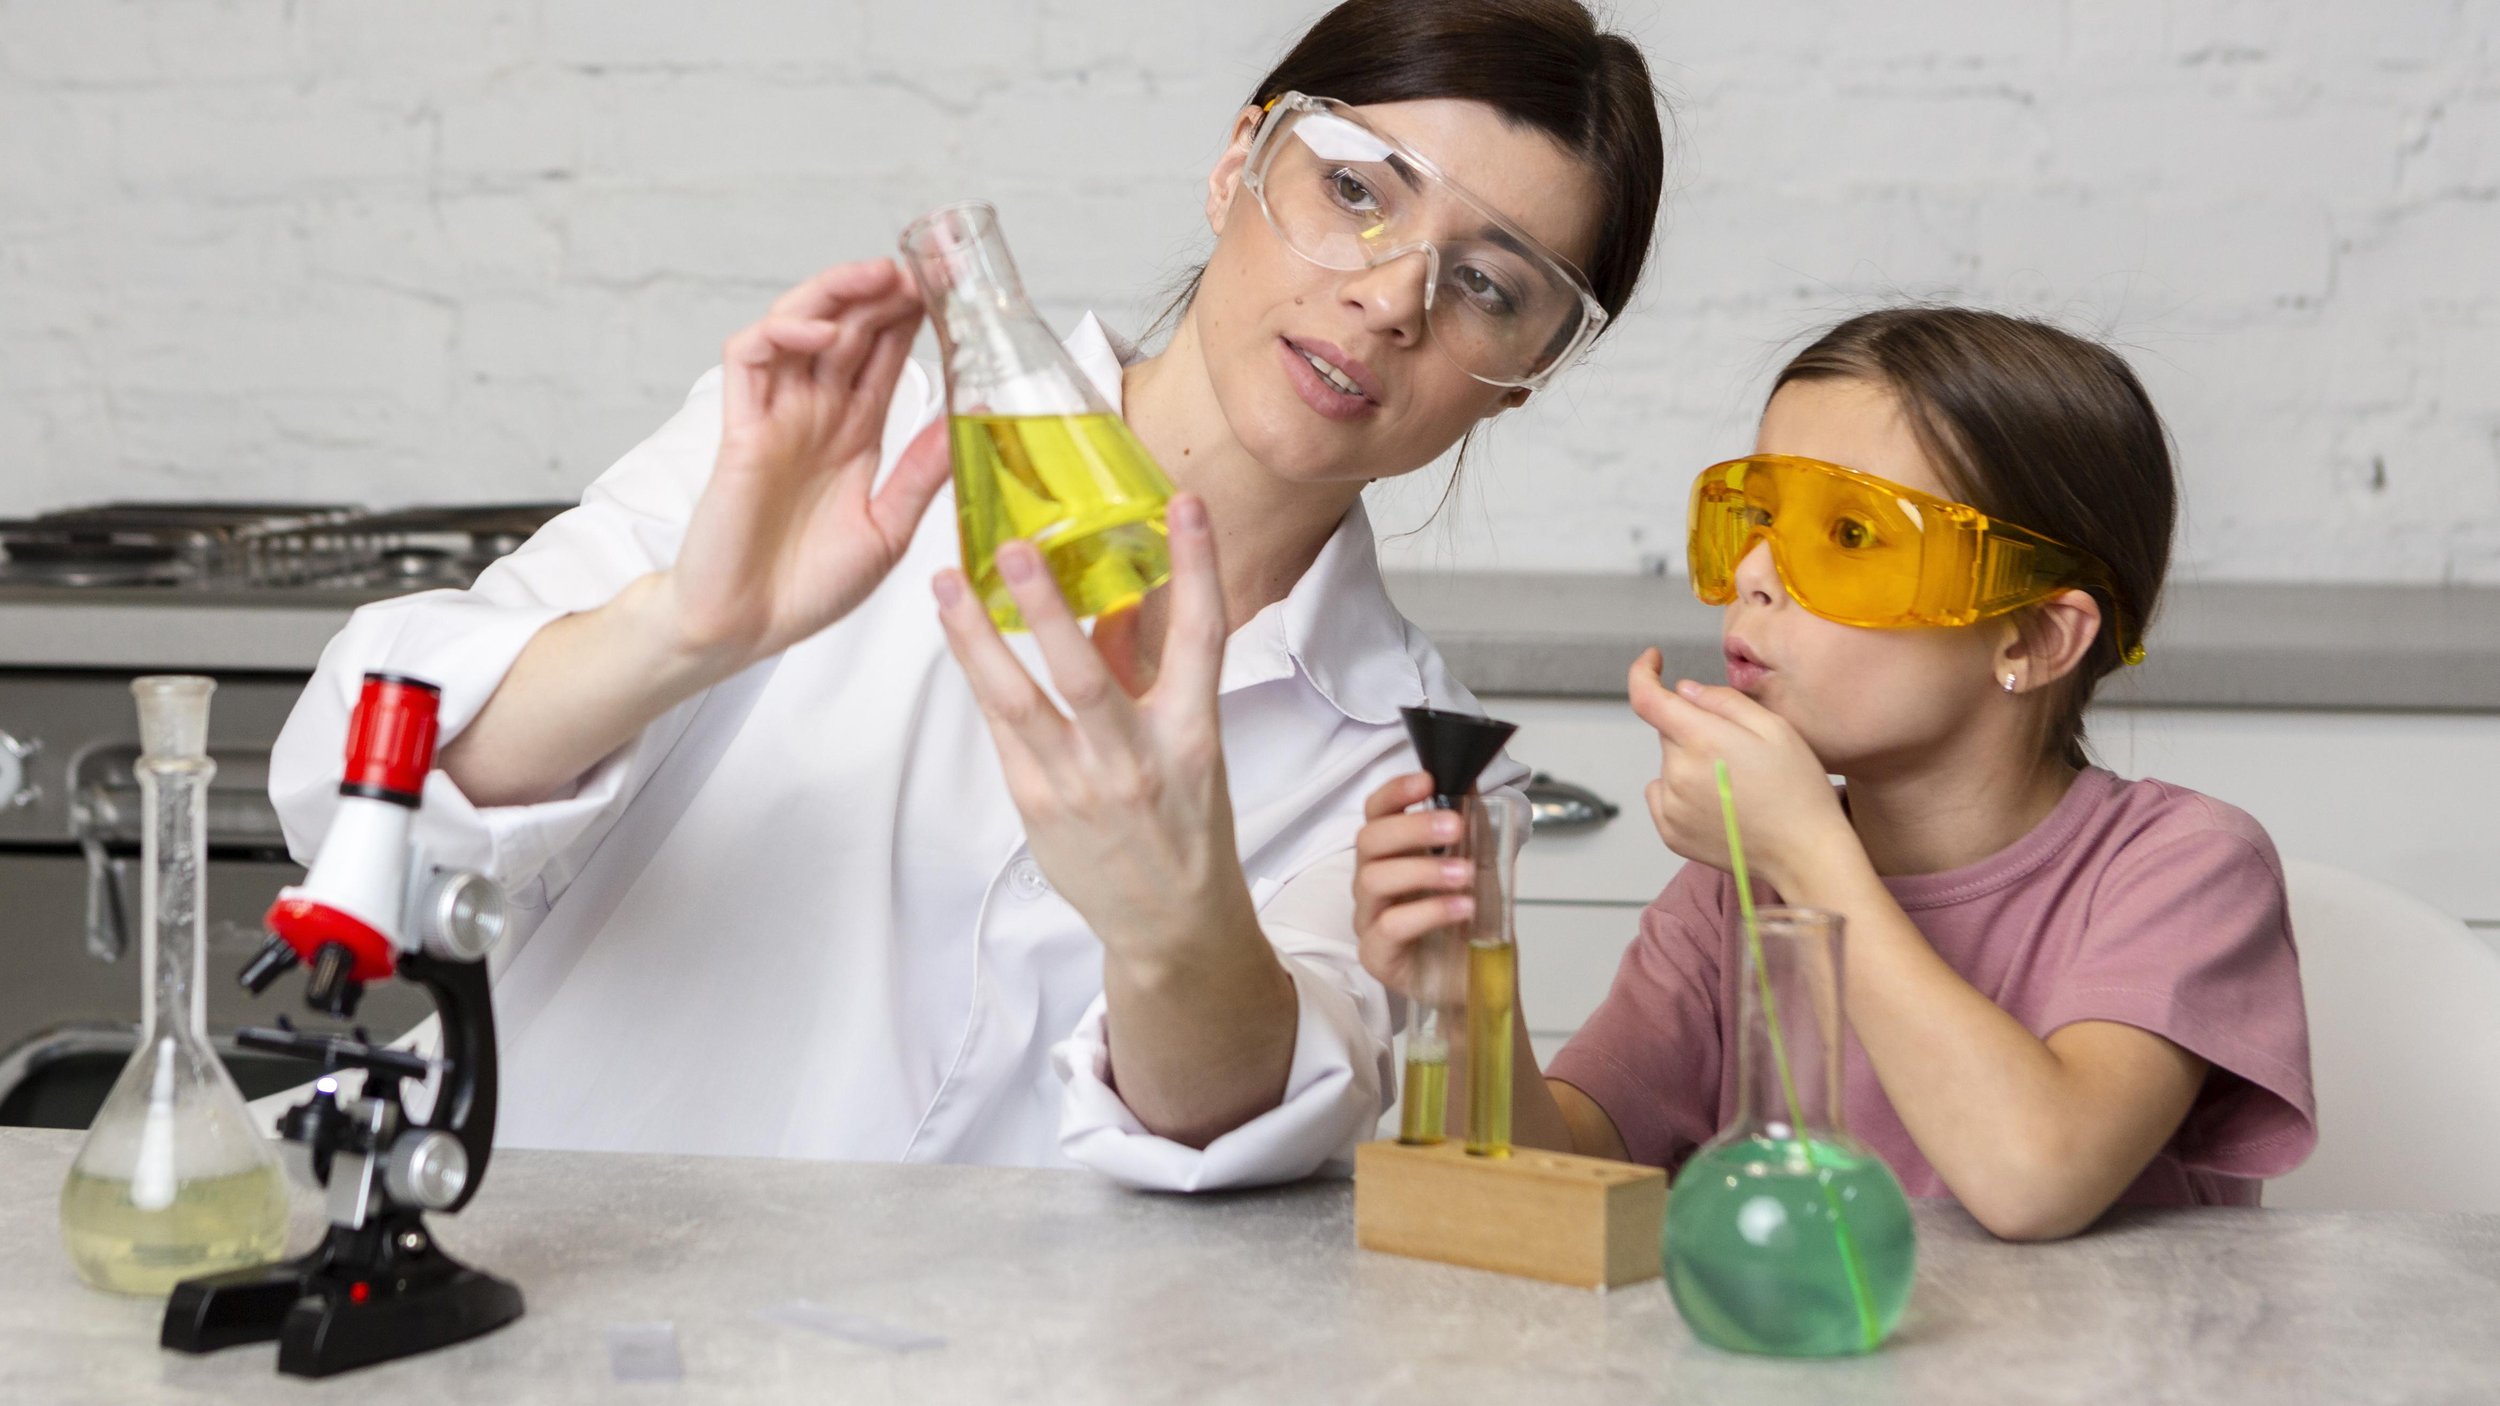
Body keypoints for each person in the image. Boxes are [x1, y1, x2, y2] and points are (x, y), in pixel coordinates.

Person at [267, 0, 1666, 1190]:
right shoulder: (866, 441)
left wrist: (1175, 923)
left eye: (1488, 287)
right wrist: (686, 629)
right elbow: (355, 775)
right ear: (1242, 158)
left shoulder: (1420, 760)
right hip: (523, 1290)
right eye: (1356, 189)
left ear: (1529, 371)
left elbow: (1240, 1128)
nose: (1389, 300)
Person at [1353, 307, 2317, 1237]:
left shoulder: (2187, 869)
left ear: (2032, 635)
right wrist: (1470, 986)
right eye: (1760, 521)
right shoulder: (1736, 892)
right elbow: (1557, 1176)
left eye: (1850, 535)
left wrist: (1809, 852)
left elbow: (2035, 1177)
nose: (1757, 574)